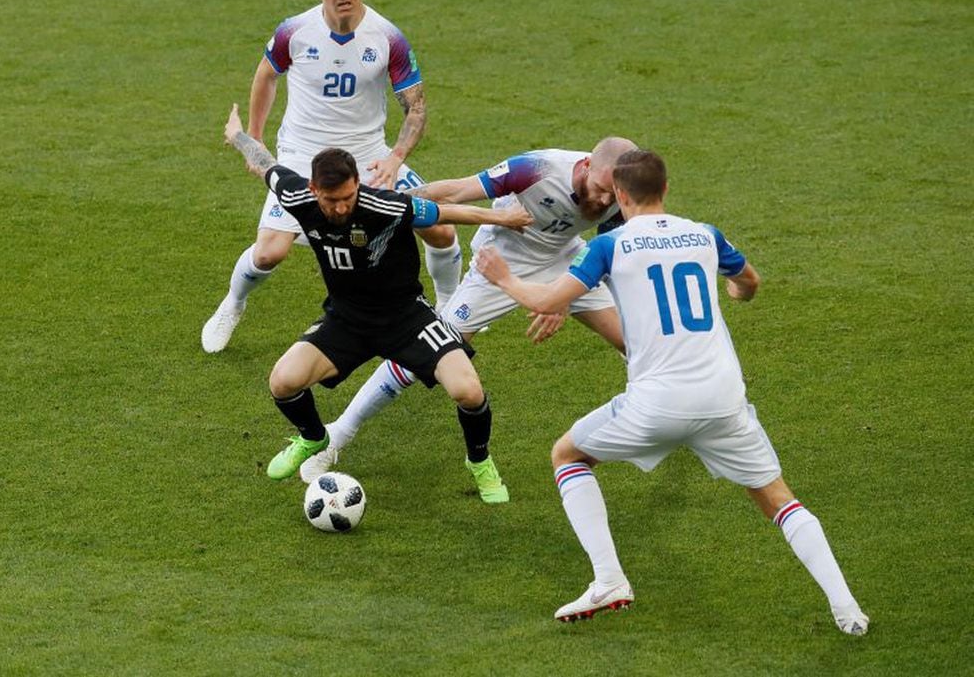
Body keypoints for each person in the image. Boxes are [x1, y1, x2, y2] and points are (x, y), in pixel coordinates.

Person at [474, 149, 869, 635]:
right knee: (778, 499)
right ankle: (847, 609)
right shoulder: (705, 234)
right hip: (724, 400)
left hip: (656, 404)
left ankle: (609, 579)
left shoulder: (610, 246)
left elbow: (542, 300)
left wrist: (503, 277)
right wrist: (737, 293)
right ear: (665, 189)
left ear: (619, 195)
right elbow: (749, 282)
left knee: (568, 456)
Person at [222, 104, 531, 503]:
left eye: (349, 196)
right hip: (346, 321)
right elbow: (264, 164)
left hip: (407, 319)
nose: (341, 207)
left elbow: (445, 212)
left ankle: (479, 462)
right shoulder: (297, 196)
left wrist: (503, 220)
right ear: (314, 190)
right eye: (332, 199)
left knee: (468, 391)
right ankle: (313, 438)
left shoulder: (384, 206)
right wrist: (237, 137)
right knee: (282, 381)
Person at [298, 138, 638, 483]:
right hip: (500, 263)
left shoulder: (622, 190)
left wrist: (563, 294)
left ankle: (656, 412)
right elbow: (457, 190)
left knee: (632, 340)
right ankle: (339, 432)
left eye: (614, 194)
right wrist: (379, 205)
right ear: (586, 166)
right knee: (426, 352)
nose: (606, 200)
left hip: (566, 258)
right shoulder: (535, 169)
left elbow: (606, 250)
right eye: (601, 189)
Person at [202, 0, 461, 353]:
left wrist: (395, 157)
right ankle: (233, 303)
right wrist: (255, 137)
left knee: (441, 229)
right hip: (304, 153)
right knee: (269, 253)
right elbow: (266, 76)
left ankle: (449, 310)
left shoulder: (388, 36)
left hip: (367, 153)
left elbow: (416, 106)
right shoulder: (295, 31)